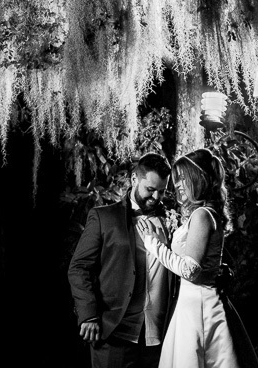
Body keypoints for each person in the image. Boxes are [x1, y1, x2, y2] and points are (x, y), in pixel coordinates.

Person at [135, 148, 258, 368]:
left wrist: (152, 243)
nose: (178, 185)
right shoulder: (202, 213)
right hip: (190, 302)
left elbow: (190, 270)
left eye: (183, 178)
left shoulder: (202, 215)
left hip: (199, 307)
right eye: (176, 180)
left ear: (199, 178)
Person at [68, 153, 179, 368]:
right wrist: (88, 315)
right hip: (115, 333)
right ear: (134, 179)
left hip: (160, 335)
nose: (156, 197)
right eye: (150, 189)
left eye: (162, 191)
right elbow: (79, 268)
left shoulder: (171, 222)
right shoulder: (103, 217)